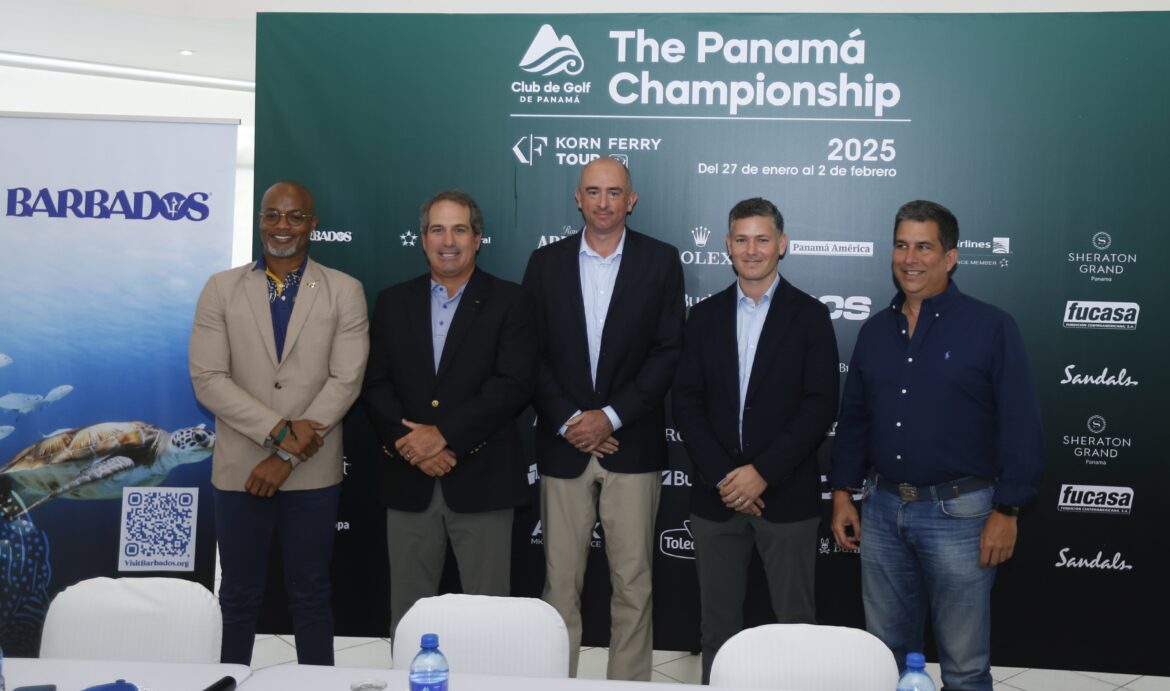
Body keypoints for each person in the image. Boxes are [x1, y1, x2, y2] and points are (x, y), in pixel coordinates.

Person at [828, 200, 1043, 691]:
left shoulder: (991, 327)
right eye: (902, 245)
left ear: (950, 257)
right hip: (881, 511)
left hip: (962, 517)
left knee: (965, 667)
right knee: (885, 661)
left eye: (924, 246)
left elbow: (1021, 425)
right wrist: (843, 492)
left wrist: (1008, 510)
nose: (910, 258)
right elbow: (855, 418)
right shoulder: (876, 330)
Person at [189, 180, 369, 665]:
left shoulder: (344, 291)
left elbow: (346, 381)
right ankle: (227, 679)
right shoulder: (220, 288)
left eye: (294, 217)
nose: (282, 226)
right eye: (272, 215)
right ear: (260, 220)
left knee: (310, 595)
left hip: (311, 472)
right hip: (239, 469)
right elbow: (208, 379)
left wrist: (285, 454)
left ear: (312, 224)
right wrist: (279, 432)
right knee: (239, 595)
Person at [522, 157, 684, 681]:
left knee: (633, 584)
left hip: (630, 445)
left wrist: (610, 418)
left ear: (630, 200)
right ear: (578, 197)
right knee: (558, 585)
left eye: (615, 192)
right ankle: (554, 680)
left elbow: (667, 352)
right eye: (593, 191)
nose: (604, 202)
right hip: (563, 444)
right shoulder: (545, 264)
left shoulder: (660, 262)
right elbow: (531, 355)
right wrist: (574, 419)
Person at [672, 197, 839, 684]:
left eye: (762, 239)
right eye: (741, 239)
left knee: (795, 627)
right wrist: (728, 478)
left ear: (781, 245)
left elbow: (819, 406)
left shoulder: (809, 316)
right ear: (727, 246)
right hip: (716, 497)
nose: (752, 249)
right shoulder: (702, 317)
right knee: (717, 631)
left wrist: (761, 473)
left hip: (786, 497)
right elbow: (687, 403)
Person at [362, 190, 536, 636]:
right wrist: (414, 447)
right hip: (408, 480)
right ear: (422, 239)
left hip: (482, 479)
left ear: (478, 238)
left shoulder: (511, 301)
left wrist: (445, 437)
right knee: (408, 617)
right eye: (437, 229)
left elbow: (511, 385)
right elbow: (376, 384)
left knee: (487, 622)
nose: (448, 240)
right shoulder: (392, 302)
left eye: (460, 229)